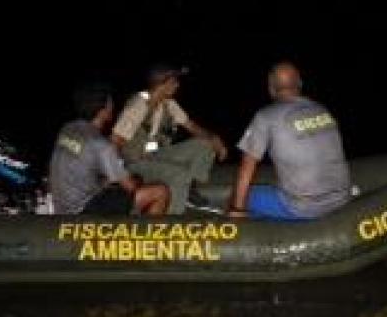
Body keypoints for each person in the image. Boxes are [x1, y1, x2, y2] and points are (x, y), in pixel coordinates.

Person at [228, 62, 351, 220]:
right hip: (342, 200)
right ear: (300, 83)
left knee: (236, 197)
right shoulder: (322, 109)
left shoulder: (266, 116)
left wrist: (237, 209)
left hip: (303, 208)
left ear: (271, 88)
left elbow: (246, 169)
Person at [111, 65, 228, 214]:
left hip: (156, 156)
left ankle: (188, 193)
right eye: (174, 81)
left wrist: (214, 138)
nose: (178, 85)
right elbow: (115, 141)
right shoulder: (138, 105)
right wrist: (120, 177)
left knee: (206, 145)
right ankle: (172, 217)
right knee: (179, 174)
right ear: (162, 84)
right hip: (135, 162)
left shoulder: (169, 104)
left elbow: (191, 126)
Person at [49, 83, 169, 215]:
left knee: (112, 187)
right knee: (160, 191)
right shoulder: (101, 145)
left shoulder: (67, 129)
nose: (112, 107)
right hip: (83, 212)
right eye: (110, 104)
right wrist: (137, 180)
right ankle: (146, 235)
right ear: (102, 111)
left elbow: (84, 169)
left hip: (61, 208)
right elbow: (132, 188)